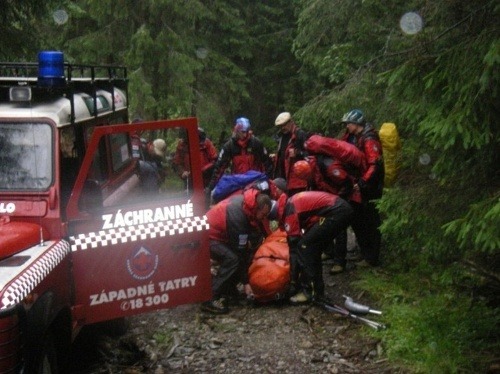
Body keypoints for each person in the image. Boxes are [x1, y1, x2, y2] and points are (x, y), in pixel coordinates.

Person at [202, 189, 273, 314]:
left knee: (246, 251)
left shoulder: (249, 205)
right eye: (263, 215)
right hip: (206, 237)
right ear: (257, 208)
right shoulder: (238, 215)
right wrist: (246, 282)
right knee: (233, 259)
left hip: (221, 233)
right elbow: (240, 252)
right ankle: (211, 297)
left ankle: (228, 289)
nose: (264, 218)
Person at [279, 190, 353, 303]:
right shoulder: (291, 202)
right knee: (312, 247)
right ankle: (317, 290)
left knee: (305, 247)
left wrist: (293, 280)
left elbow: (294, 247)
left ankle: (309, 292)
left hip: (336, 211)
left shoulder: (289, 210)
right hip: (339, 209)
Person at [340, 109, 384, 267]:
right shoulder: (357, 137)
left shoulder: (368, 139)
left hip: (370, 187)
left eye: (348, 123)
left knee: (370, 221)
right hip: (362, 185)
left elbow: (374, 164)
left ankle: (372, 257)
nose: (347, 126)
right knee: (359, 219)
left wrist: (363, 183)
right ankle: (365, 253)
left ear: (356, 123)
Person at [206, 117, 273, 195]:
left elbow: (267, 163)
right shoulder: (229, 146)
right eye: (243, 132)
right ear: (237, 130)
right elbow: (219, 168)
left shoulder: (256, 143)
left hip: (255, 181)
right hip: (238, 183)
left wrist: (268, 180)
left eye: (247, 132)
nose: (245, 135)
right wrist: (210, 187)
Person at [272, 112, 311, 196]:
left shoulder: (299, 134)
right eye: (281, 126)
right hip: (284, 178)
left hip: (298, 180)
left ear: (291, 122)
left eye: (284, 125)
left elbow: (309, 155)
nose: (283, 128)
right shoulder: (281, 137)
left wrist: (298, 153)